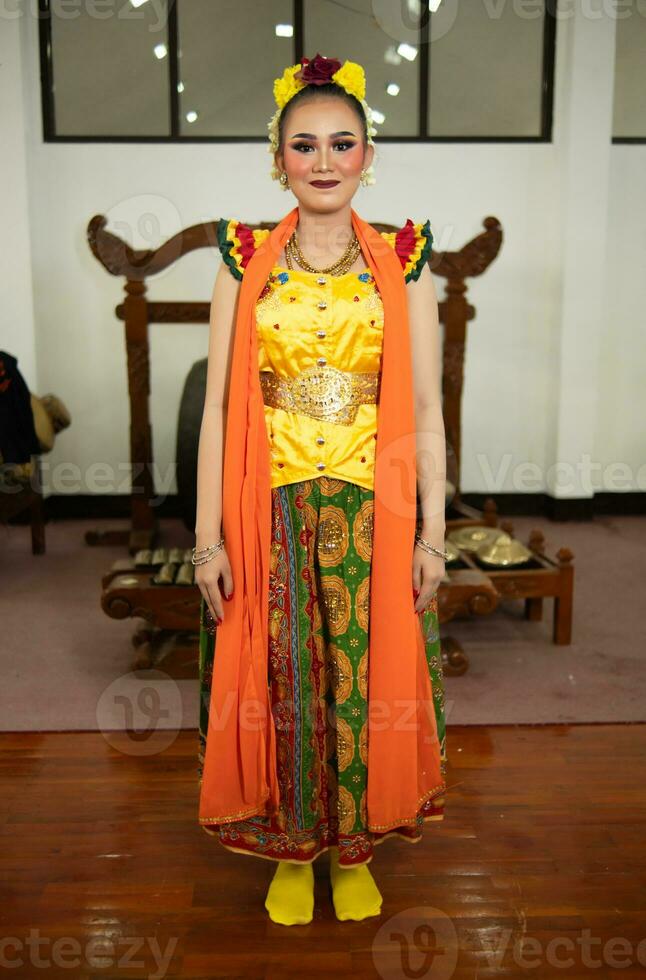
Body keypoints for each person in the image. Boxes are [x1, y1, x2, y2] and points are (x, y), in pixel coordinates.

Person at [193, 53, 448, 927]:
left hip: (376, 512)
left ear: (369, 153)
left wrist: (433, 537)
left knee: (365, 692)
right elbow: (221, 409)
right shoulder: (241, 256)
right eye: (305, 145)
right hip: (270, 507)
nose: (326, 160)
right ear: (279, 160)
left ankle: (357, 848)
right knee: (284, 686)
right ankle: (293, 850)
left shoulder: (406, 260)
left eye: (344, 142)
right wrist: (207, 540)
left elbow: (425, 406)